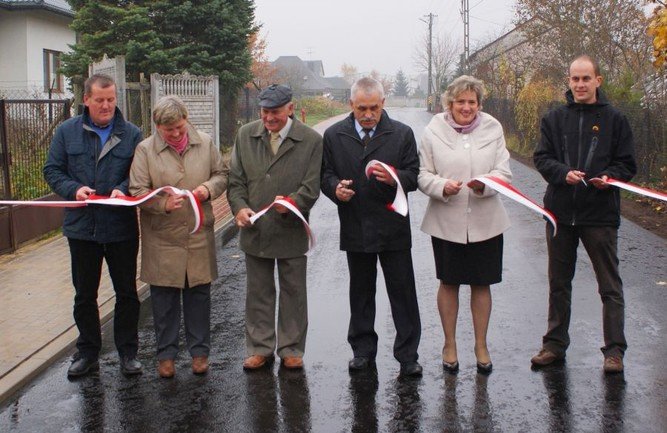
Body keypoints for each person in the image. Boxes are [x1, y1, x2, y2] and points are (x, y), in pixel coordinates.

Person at [531, 55, 637, 374]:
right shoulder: (554, 118)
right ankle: (554, 345)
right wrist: (562, 173)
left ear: (598, 81)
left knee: (609, 286)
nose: (580, 84)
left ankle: (614, 351)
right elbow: (541, 158)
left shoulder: (615, 119)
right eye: (575, 79)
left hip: (600, 215)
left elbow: (627, 164)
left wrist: (608, 178)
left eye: (586, 78)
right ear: (569, 81)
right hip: (560, 214)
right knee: (559, 283)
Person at [321, 77, 423, 377]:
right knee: (361, 292)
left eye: (374, 108)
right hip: (355, 224)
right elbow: (325, 174)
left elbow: (415, 174)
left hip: (393, 226)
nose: (368, 114)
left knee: (402, 293)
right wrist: (334, 189)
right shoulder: (334, 135)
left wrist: (396, 179)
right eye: (362, 108)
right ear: (351, 105)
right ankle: (362, 351)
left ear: (383, 103)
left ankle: (408, 356)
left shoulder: (402, 134)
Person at [43, 74, 143, 378]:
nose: (106, 105)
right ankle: (87, 352)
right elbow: (52, 169)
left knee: (127, 293)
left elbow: (140, 173)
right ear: (86, 99)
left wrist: (124, 188)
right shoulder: (66, 132)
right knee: (84, 295)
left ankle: (128, 353)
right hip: (82, 229)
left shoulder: (132, 134)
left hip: (120, 228)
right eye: (100, 99)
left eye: (111, 99)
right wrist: (73, 189)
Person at [418, 75, 512, 375]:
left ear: (479, 104)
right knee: (449, 282)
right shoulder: (434, 130)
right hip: (446, 220)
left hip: (486, 221)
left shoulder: (493, 128)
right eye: (461, 101)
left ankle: (481, 345)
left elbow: (504, 172)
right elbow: (422, 174)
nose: (466, 107)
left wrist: (487, 185)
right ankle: (449, 344)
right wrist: (442, 186)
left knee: (481, 283)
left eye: (472, 102)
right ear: (450, 103)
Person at [129, 96, 228, 378]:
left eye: (180, 128)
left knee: (199, 297)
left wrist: (207, 189)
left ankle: (199, 354)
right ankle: (166, 356)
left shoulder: (205, 142)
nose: (175, 134)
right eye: (168, 130)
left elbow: (222, 175)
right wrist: (161, 204)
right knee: (164, 301)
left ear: (186, 120)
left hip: (197, 233)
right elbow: (136, 191)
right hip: (162, 237)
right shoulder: (145, 150)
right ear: (157, 126)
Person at [228, 84, 322, 371]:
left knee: (293, 290)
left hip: (291, 228)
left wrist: (295, 203)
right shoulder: (245, 135)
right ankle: (260, 347)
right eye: (265, 112)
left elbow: (312, 185)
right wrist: (239, 207)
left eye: (276, 112)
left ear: (290, 109)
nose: (269, 118)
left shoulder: (311, 140)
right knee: (258, 291)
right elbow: (236, 181)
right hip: (255, 230)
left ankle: (291, 348)